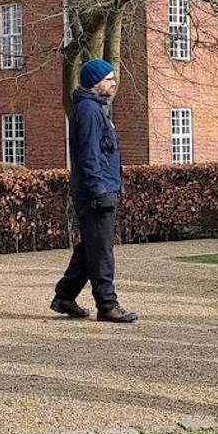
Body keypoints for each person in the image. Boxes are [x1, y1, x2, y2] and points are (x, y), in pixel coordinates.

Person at [52, 59, 138, 323]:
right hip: (96, 191)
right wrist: (99, 190)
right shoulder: (89, 110)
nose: (113, 83)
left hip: (98, 188)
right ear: (95, 82)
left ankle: (65, 296)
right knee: (101, 250)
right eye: (108, 79)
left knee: (91, 247)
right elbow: (89, 155)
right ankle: (107, 304)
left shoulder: (93, 108)